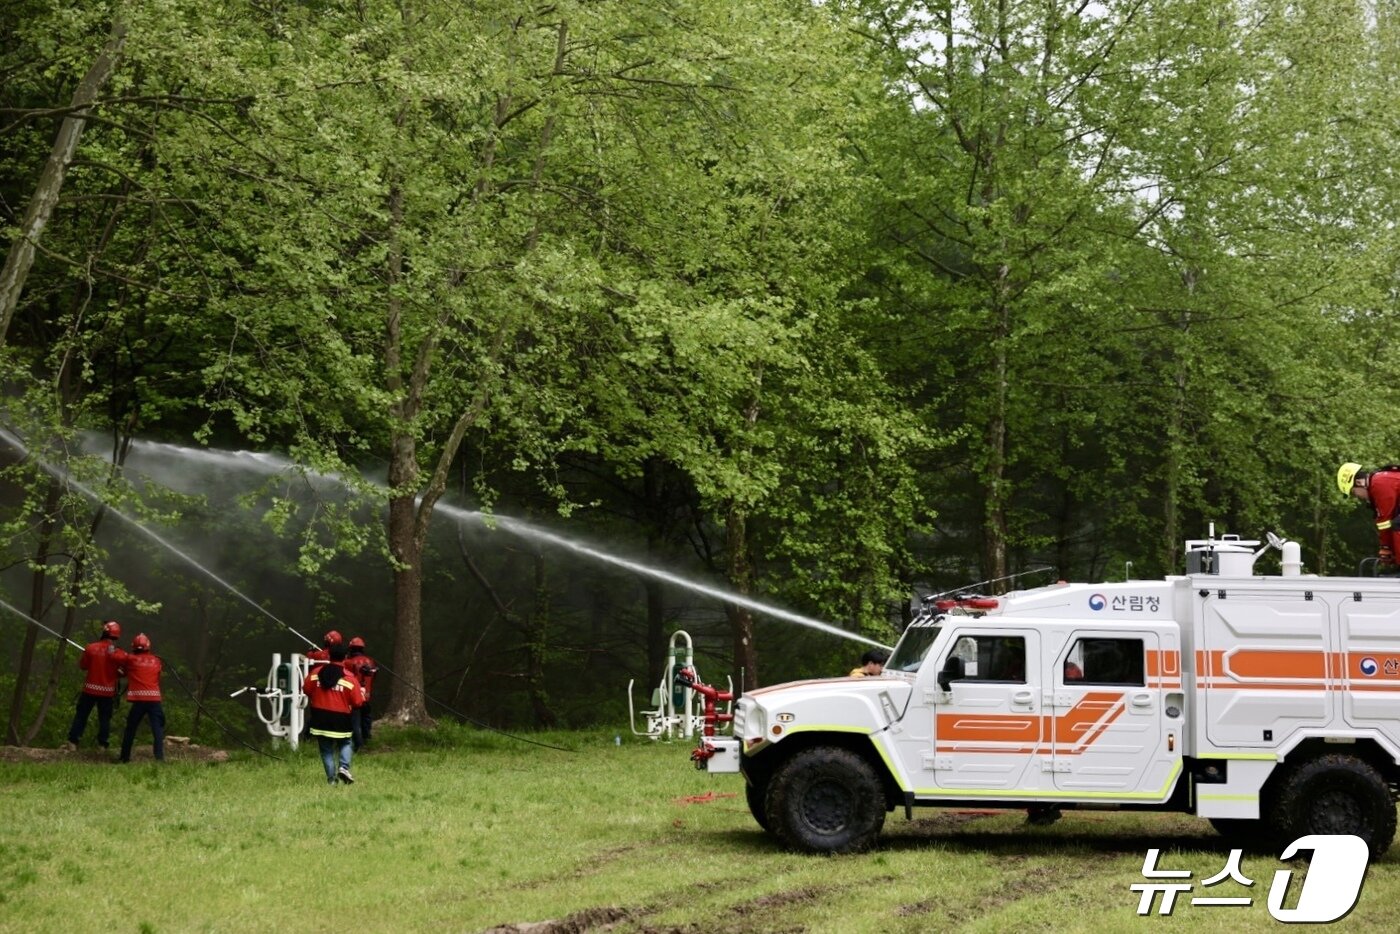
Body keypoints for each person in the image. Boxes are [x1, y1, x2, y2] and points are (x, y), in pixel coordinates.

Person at [304, 643, 364, 785]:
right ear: (345, 657)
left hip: (319, 718)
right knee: (346, 742)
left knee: (326, 750)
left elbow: (306, 689)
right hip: (341, 719)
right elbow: (357, 703)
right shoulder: (349, 677)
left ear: (329, 656)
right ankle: (344, 767)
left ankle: (332, 781)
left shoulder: (315, 673)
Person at [65, 620, 129, 751]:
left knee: (81, 715)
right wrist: (117, 672)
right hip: (107, 692)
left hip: (89, 690)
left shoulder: (91, 648)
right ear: (117, 636)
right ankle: (102, 745)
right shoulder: (119, 654)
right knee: (104, 719)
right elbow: (125, 671)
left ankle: (73, 742)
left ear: (104, 632)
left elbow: (83, 666)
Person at [1339, 462, 1400, 575]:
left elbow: (1385, 519)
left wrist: (1385, 547)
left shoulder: (1378, 484)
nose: (1357, 497)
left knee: (1398, 525)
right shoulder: (1378, 481)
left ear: (1359, 483)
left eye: (1354, 492)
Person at [118, 633, 165, 763]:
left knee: (131, 728)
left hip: (139, 700)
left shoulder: (130, 659)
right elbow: (157, 677)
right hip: (154, 699)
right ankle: (159, 757)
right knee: (157, 729)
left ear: (133, 647)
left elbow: (120, 662)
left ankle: (124, 757)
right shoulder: (157, 661)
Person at [342, 636, 378, 751]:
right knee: (366, 718)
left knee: (355, 722)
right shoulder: (371, 661)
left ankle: (359, 745)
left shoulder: (348, 662)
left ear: (351, 649)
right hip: (367, 696)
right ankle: (367, 738)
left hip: (354, 697)